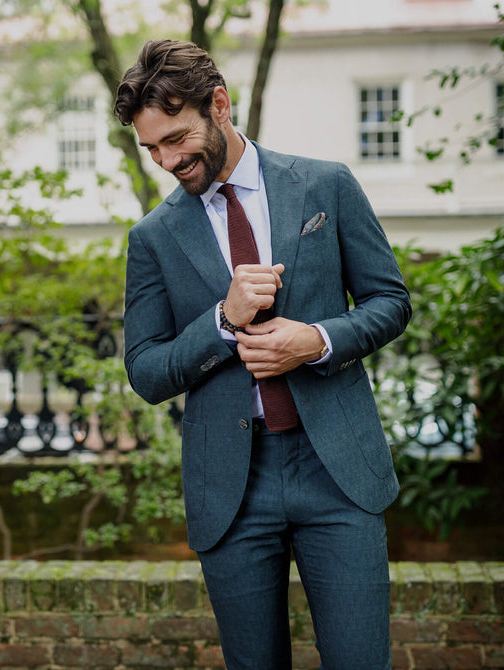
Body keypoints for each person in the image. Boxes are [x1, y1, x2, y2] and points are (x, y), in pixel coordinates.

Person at [114, 39, 411, 669]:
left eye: (176, 139)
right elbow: (144, 371)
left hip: (338, 471)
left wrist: (317, 341)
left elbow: (389, 301)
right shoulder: (154, 238)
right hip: (231, 487)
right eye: (153, 148)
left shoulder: (326, 185)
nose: (168, 160)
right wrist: (222, 320)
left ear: (218, 105)